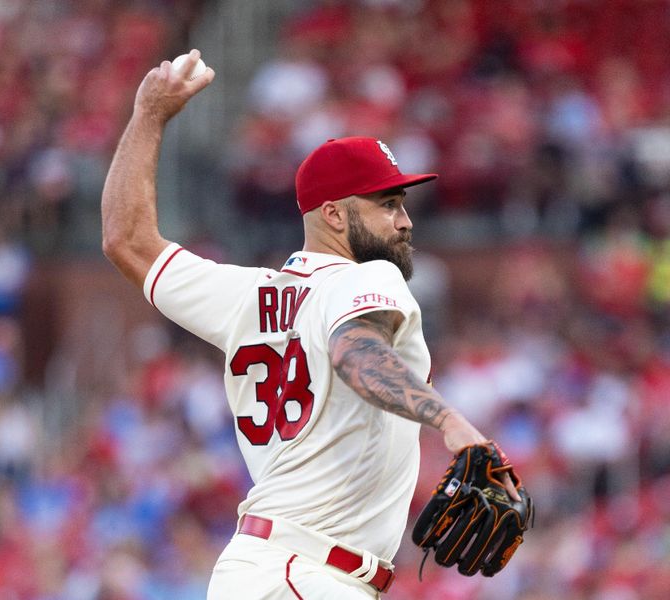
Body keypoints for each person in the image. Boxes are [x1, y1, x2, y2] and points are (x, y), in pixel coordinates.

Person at [102, 50, 521, 599]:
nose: (405, 219)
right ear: (333, 214)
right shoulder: (364, 277)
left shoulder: (245, 295)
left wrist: (147, 116)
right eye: (388, 203)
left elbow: (126, 241)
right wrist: (450, 422)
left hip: (274, 569)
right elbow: (354, 350)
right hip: (307, 573)